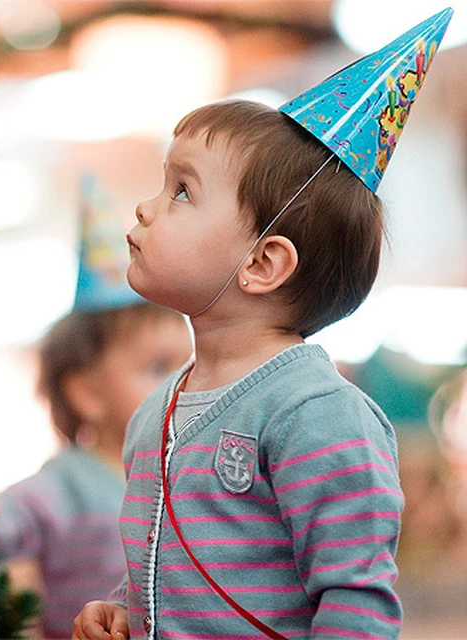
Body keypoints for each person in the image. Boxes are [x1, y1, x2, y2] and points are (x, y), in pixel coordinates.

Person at [72, 8, 454, 640]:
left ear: (262, 262)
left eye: (182, 191)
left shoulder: (317, 415)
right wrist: (124, 608)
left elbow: (355, 597)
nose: (144, 206)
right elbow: (165, 568)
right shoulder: (152, 415)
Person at [0, 175, 193, 640]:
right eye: (158, 367)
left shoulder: (186, 474)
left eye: (188, 365)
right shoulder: (68, 484)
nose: (181, 382)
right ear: (87, 394)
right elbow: (8, 523)